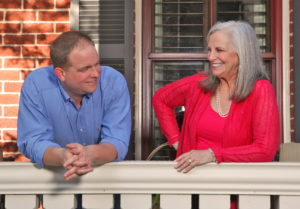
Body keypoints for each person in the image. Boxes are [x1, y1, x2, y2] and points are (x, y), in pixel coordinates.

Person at [153, 21, 279, 173]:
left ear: (242, 53)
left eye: (219, 50)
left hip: (236, 187)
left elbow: (264, 150)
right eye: (209, 50)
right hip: (191, 183)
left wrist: (212, 155)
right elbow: (161, 98)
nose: (211, 57)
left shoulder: (261, 89)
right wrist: (178, 142)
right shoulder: (198, 84)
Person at [17, 31, 131, 181]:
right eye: (85, 69)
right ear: (61, 74)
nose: (96, 73)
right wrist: (63, 156)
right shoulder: (36, 85)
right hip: (58, 181)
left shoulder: (114, 82)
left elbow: (117, 141)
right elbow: (33, 142)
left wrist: (87, 154)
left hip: (105, 184)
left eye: (97, 64)